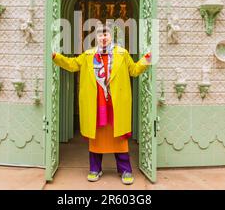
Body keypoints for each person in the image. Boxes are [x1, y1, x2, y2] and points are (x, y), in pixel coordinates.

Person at [52, 23, 151, 185]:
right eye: (100, 35)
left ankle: (125, 169)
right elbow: (72, 65)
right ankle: (95, 168)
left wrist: (148, 58)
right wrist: (55, 57)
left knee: (119, 137)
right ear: (95, 38)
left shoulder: (122, 54)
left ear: (111, 36)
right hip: (96, 105)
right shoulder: (88, 55)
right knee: (97, 137)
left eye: (106, 34)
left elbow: (133, 70)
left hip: (116, 105)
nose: (103, 38)